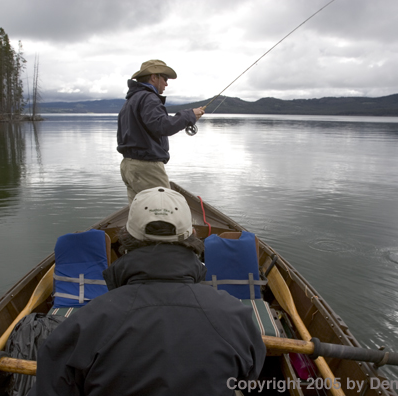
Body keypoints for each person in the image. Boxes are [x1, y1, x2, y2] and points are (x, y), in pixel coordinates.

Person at [33, 187, 266, 396]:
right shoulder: (236, 316)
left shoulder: (83, 324)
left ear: (125, 238)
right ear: (193, 236)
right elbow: (249, 377)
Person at [117, 60, 205, 204]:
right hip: (147, 167)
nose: (166, 83)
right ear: (154, 77)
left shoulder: (131, 100)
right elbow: (162, 126)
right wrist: (189, 115)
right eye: (164, 78)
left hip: (128, 166)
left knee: (139, 214)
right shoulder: (149, 97)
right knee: (163, 212)